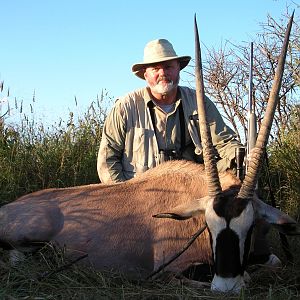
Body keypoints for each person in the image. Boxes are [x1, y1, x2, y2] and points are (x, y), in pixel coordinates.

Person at [97, 38, 243, 183]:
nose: (163, 73)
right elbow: (107, 160)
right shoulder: (124, 107)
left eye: (168, 67)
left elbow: (224, 143)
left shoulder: (198, 101)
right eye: (155, 68)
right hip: (141, 197)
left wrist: (243, 157)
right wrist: (124, 196)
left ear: (178, 68)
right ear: (145, 74)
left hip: (190, 192)